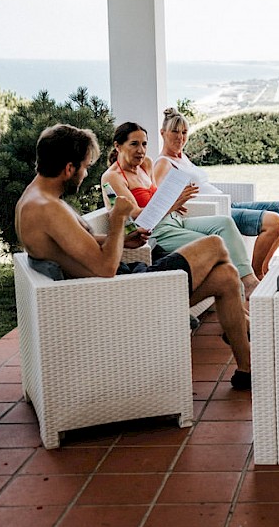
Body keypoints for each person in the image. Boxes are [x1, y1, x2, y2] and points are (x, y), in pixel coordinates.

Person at [15, 123, 253, 390]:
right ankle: (248, 325)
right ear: (69, 168)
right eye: (83, 167)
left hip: (123, 286)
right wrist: (118, 219)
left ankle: (246, 369)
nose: (84, 174)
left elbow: (76, 245)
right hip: (126, 296)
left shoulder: (35, 200)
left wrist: (122, 239)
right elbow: (105, 268)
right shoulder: (48, 209)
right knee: (215, 244)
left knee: (226, 276)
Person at [100, 122, 261, 299]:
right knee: (211, 244)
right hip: (156, 232)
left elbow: (155, 195)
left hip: (174, 219)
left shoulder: (146, 164)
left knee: (225, 222)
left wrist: (174, 197)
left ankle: (249, 281)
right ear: (118, 146)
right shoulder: (112, 177)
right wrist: (173, 204)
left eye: (144, 144)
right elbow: (137, 215)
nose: (141, 150)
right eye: (134, 144)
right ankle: (235, 294)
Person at [154, 107, 279, 278]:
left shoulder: (182, 157)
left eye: (184, 132)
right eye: (175, 131)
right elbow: (155, 194)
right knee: (273, 221)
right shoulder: (163, 162)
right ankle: (255, 273)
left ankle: (264, 267)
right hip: (217, 212)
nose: (180, 137)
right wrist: (175, 202)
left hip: (228, 203)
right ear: (163, 133)